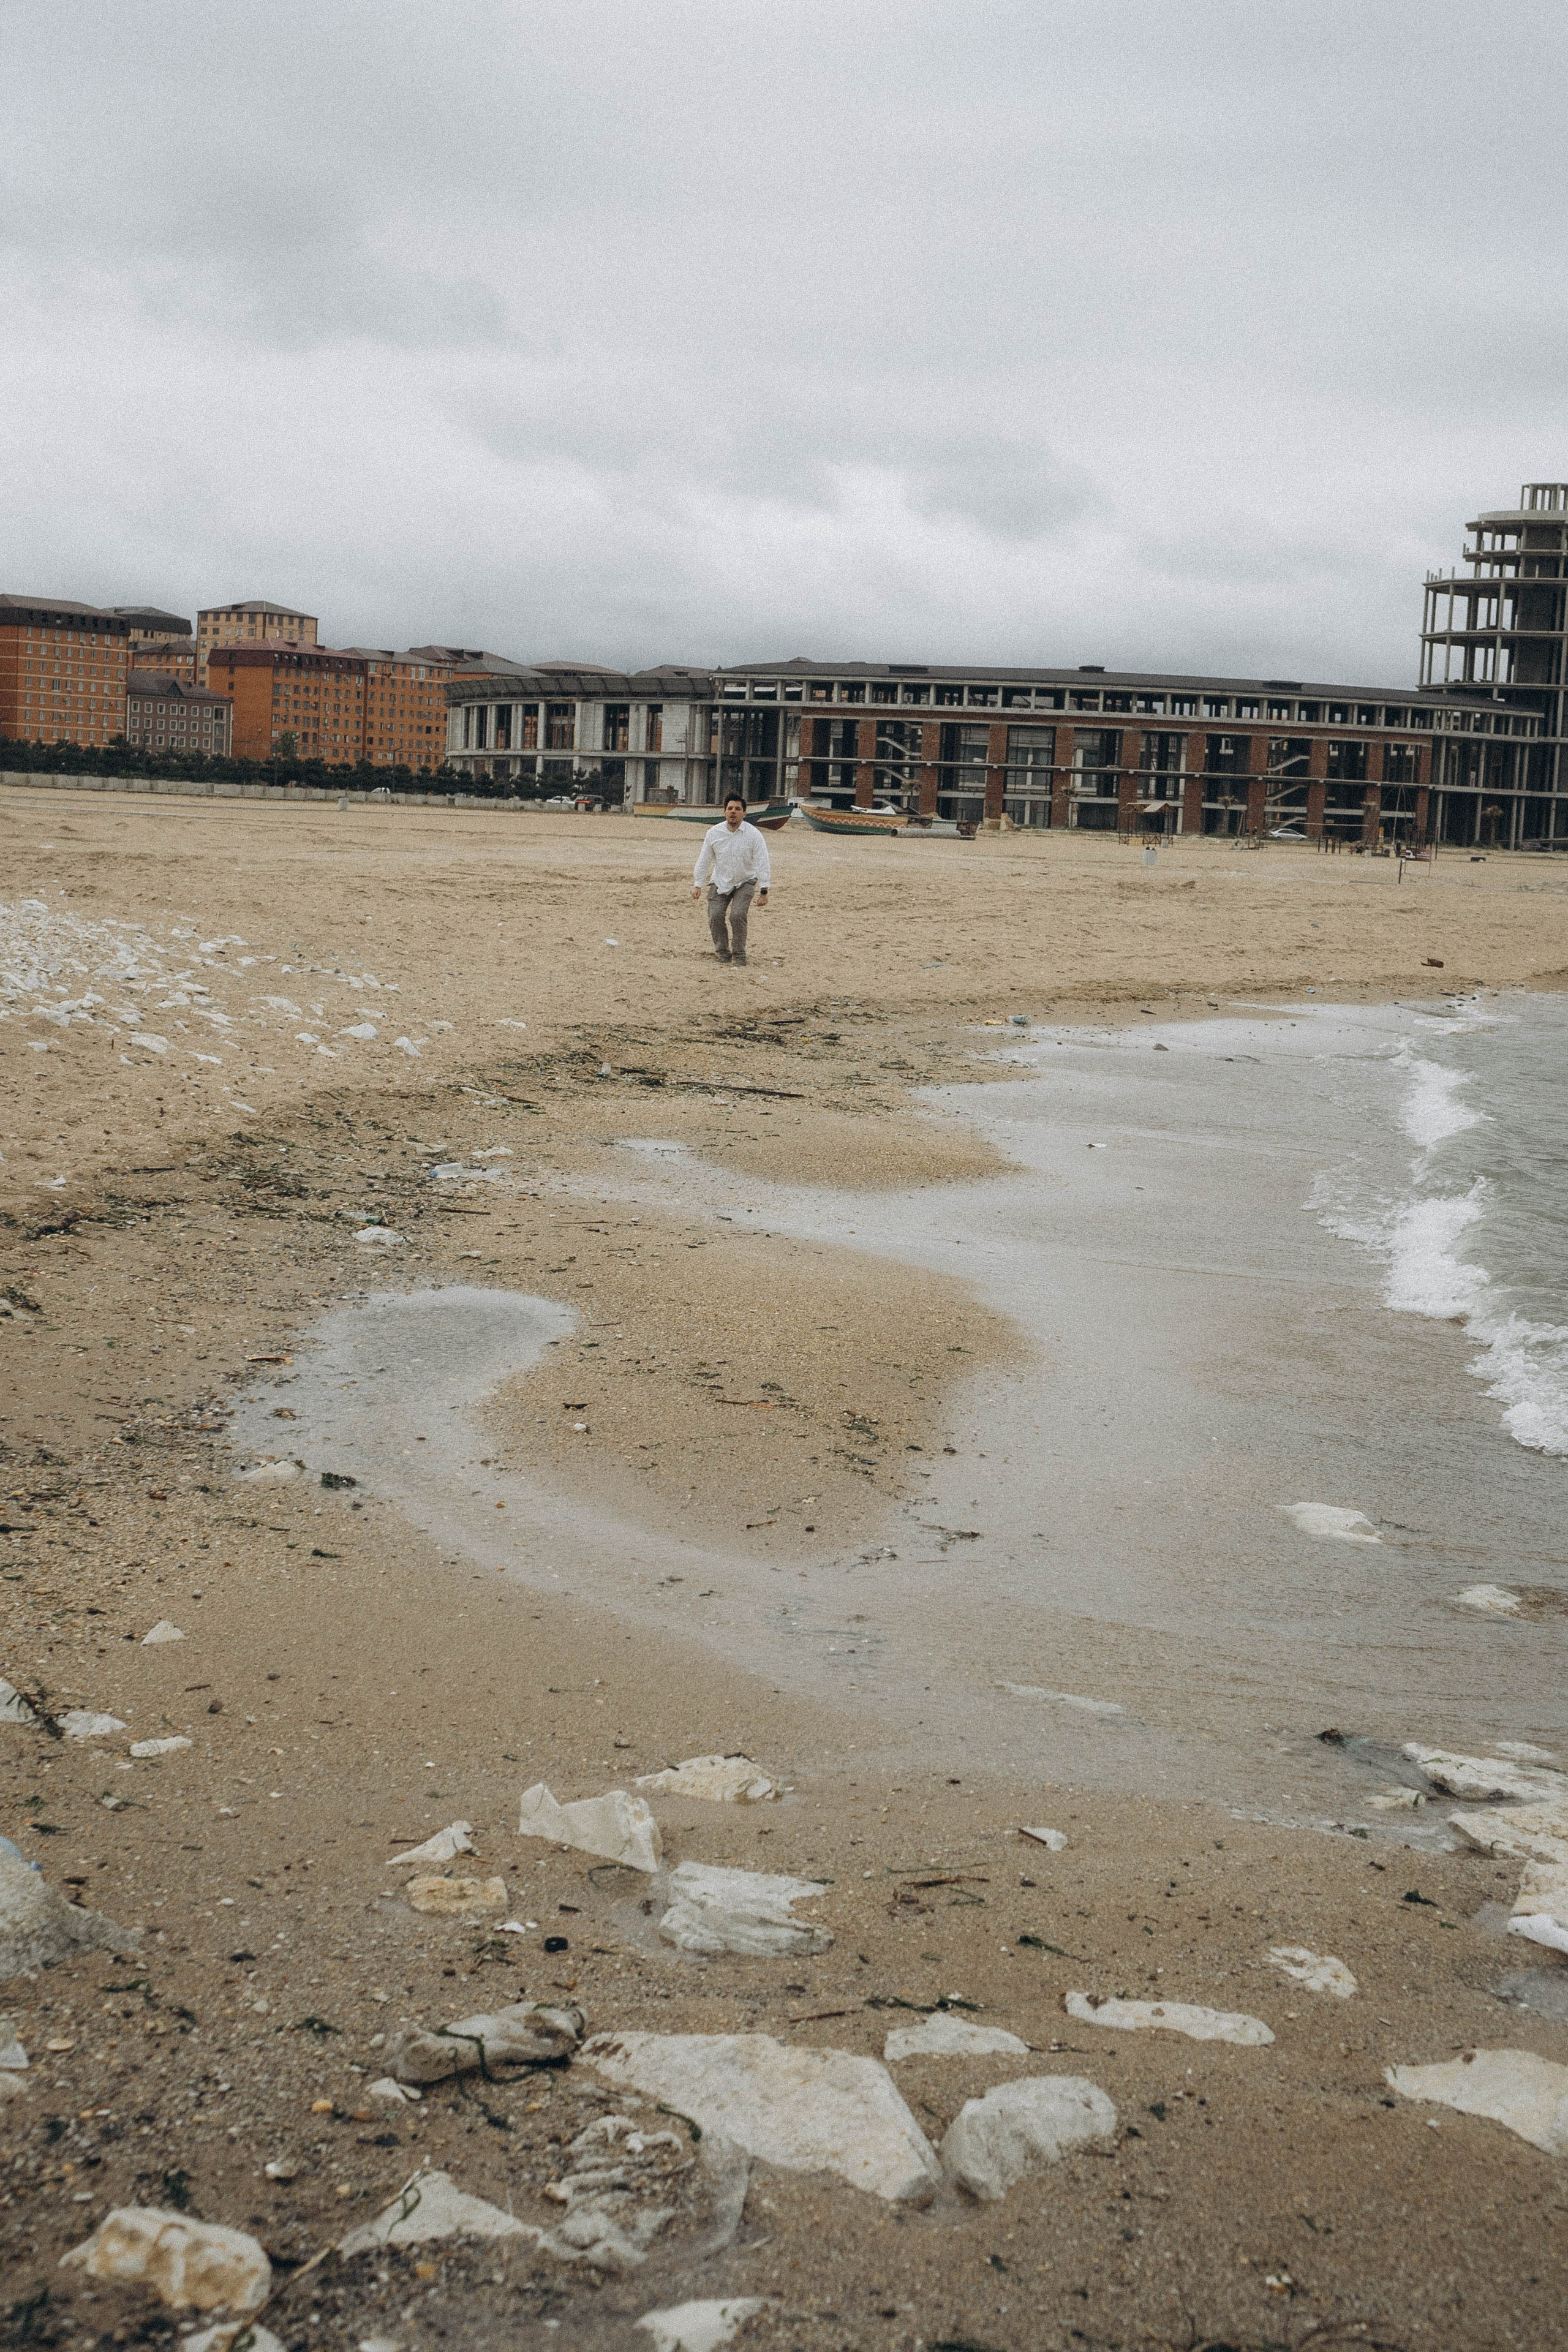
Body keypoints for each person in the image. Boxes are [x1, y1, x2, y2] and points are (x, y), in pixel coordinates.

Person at [692, 791, 771, 965]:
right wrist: (698, 884)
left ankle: (740, 955)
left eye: (737, 809)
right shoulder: (713, 833)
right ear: (724, 812)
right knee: (715, 916)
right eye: (730, 808)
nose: (733, 812)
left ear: (744, 813)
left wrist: (764, 890)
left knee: (737, 915)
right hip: (720, 881)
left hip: (746, 881)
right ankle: (723, 952)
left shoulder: (754, 835)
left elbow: (762, 861)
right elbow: (704, 859)